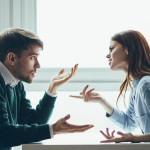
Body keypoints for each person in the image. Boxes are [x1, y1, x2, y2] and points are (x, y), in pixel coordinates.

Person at [0, 28, 93, 150]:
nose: (38, 65)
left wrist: (52, 89)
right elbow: (4, 134)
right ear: (12, 58)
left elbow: (33, 121)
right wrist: (53, 129)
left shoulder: (15, 84)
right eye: (32, 57)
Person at [70, 30, 150, 143]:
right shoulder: (136, 87)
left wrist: (134, 139)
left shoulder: (146, 85)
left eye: (112, 48)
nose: (107, 55)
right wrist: (101, 101)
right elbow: (129, 123)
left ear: (128, 49)